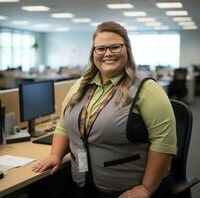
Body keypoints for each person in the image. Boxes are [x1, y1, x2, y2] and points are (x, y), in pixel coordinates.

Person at [32, 21, 177, 198]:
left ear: (127, 50)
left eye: (115, 47)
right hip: (84, 185)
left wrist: (146, 188)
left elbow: (164, 143)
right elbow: (64, 126)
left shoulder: (146, 89)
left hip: (128, 190)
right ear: (93, 52)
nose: (107, 53)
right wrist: (55, 155)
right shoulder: (80, 85)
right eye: (100, 48)